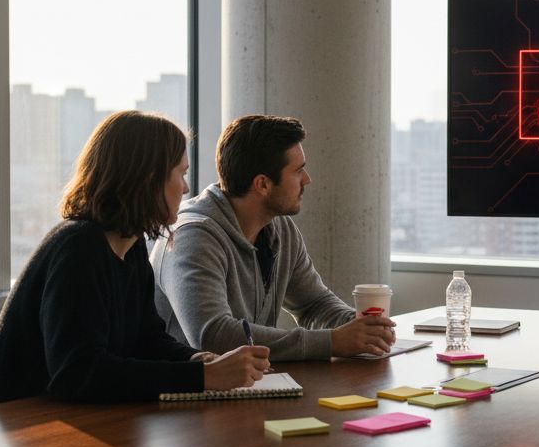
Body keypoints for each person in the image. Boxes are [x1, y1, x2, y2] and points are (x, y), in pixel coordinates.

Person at [0, 111, 270, 408]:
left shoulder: (130, 245)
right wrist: (202, 377)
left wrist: (196, 359)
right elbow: (77, 374)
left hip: (59, 423)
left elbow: (147, 340)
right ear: (148, 179)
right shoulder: (79, 249)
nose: (186, 187)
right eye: (181, 172)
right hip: (9, 429)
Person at [151, 114, 395, 360]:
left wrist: (362, 327)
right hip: (185, 393)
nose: (307, 180)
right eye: (298, 171)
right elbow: (213, 336)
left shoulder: (280, 229)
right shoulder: (192, 236)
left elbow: (313, 304)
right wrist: (331, 342)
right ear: (263, 184)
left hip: (246, 386)